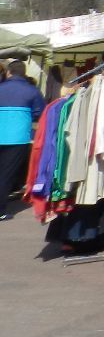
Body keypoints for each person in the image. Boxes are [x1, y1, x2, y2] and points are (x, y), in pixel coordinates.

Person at [0, 59, 45, 221]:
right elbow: (40, 112)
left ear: (8, 72)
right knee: (5, 174)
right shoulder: (32, 91)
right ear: (24, 73)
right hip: (17, 138)